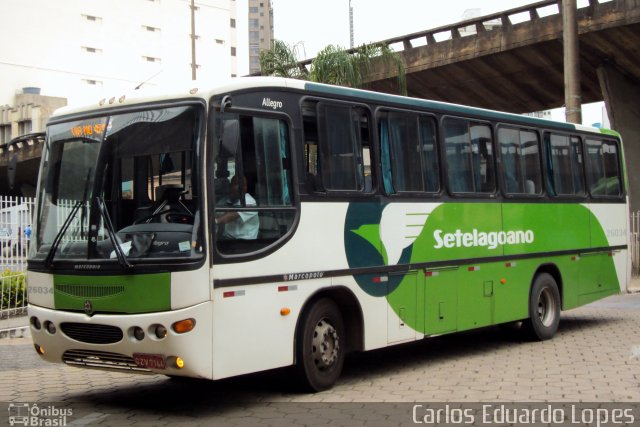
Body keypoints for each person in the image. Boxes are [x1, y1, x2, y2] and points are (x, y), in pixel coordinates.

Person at [215, 175, 259, 240]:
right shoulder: (224, 200)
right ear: (230, 186)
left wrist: (214, 221)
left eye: (244, 185)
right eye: (237, 184)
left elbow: (231, 215)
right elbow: (215, 214)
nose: (241, 188)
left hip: (246, 243)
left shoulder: (249, 201)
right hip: (227, 240)